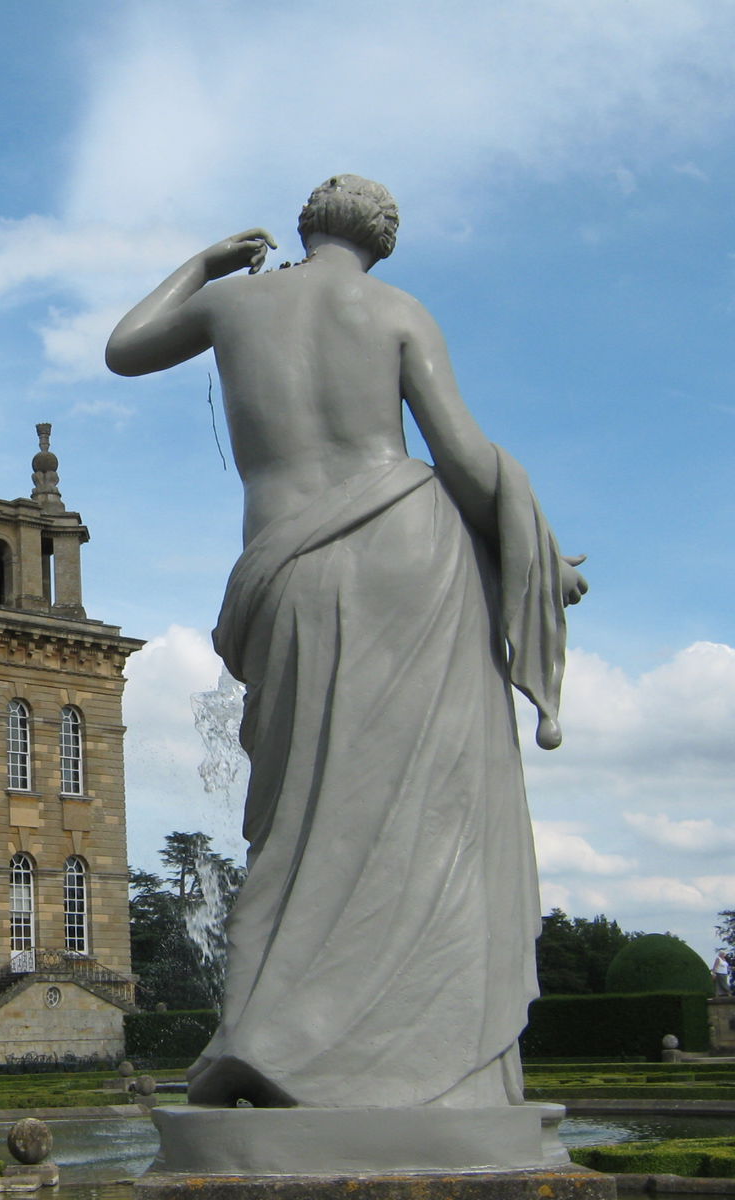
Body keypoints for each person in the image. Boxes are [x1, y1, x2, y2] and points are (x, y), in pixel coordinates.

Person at [107, 175, 586, 1110]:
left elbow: (125, 350)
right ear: (384, 241)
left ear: (304, 223)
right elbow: (464, 458)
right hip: (408, 548)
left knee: (299, 806)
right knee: (418, 804)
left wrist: (199, 264)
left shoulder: (234, 300)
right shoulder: (398, 309)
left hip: (286, 562)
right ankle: (392, 1058)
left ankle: (268, 1032)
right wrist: (540, 554)